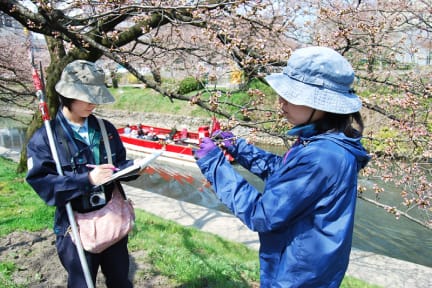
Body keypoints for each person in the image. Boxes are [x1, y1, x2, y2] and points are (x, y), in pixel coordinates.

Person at [194, 46, 370, 287]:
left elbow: (261, 215)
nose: (281, 102)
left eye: (292, 96)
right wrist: (236, 146)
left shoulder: (322, 156)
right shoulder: (323, 142)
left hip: (298, 276)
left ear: (323, 104)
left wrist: (214, 164)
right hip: (307, 268)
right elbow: (284, 172)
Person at [26, 60, 138, 288]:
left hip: (111, 220)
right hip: (75, 227)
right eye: (86, 97)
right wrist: (86, 180)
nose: (92, 103)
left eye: (95, 97)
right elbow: (44, 185)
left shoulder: (105, 129)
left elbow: (117, 163)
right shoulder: (45, 138)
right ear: (68, 95)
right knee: (82, 284)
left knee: (120, 281)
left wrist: (131, 170)